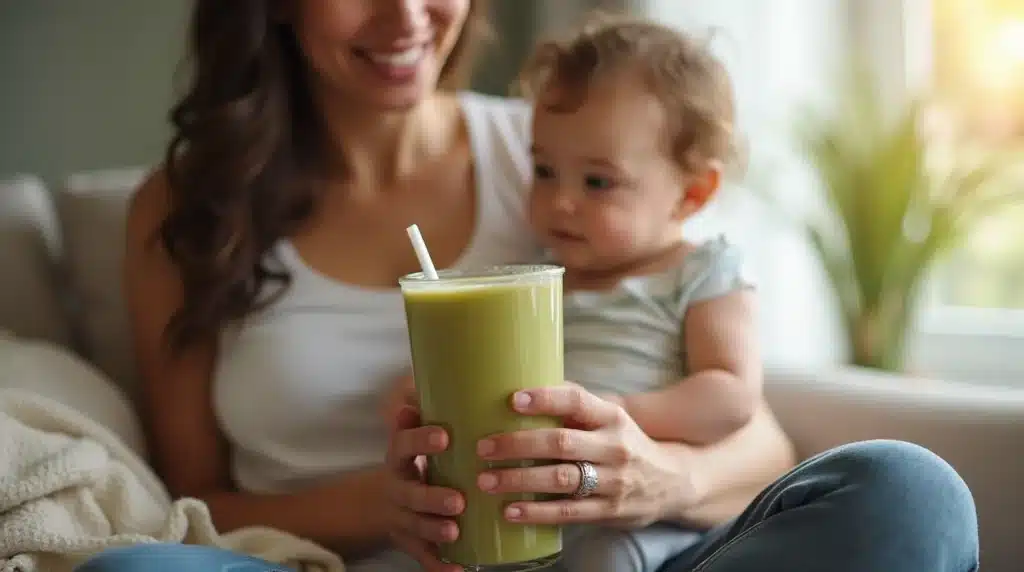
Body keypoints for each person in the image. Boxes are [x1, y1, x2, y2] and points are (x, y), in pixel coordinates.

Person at [75, 1, 979, 572]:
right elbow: (190, 499)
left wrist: (654, 481)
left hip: (604, 546)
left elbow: (760, 436)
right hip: (335, 562)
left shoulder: (568, 153)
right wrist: (383, 507)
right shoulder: (191, 209)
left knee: (910, 491)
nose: (406, 19)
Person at [503, 16, 763, 572]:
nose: (560, 201)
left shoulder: (700, 272)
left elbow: (732, 395)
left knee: (604, 558)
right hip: (546, 510)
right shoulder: (540, 277)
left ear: (692, 193)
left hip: (651, 523)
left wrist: (623, 412)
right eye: (544, 170)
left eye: (597, 181)